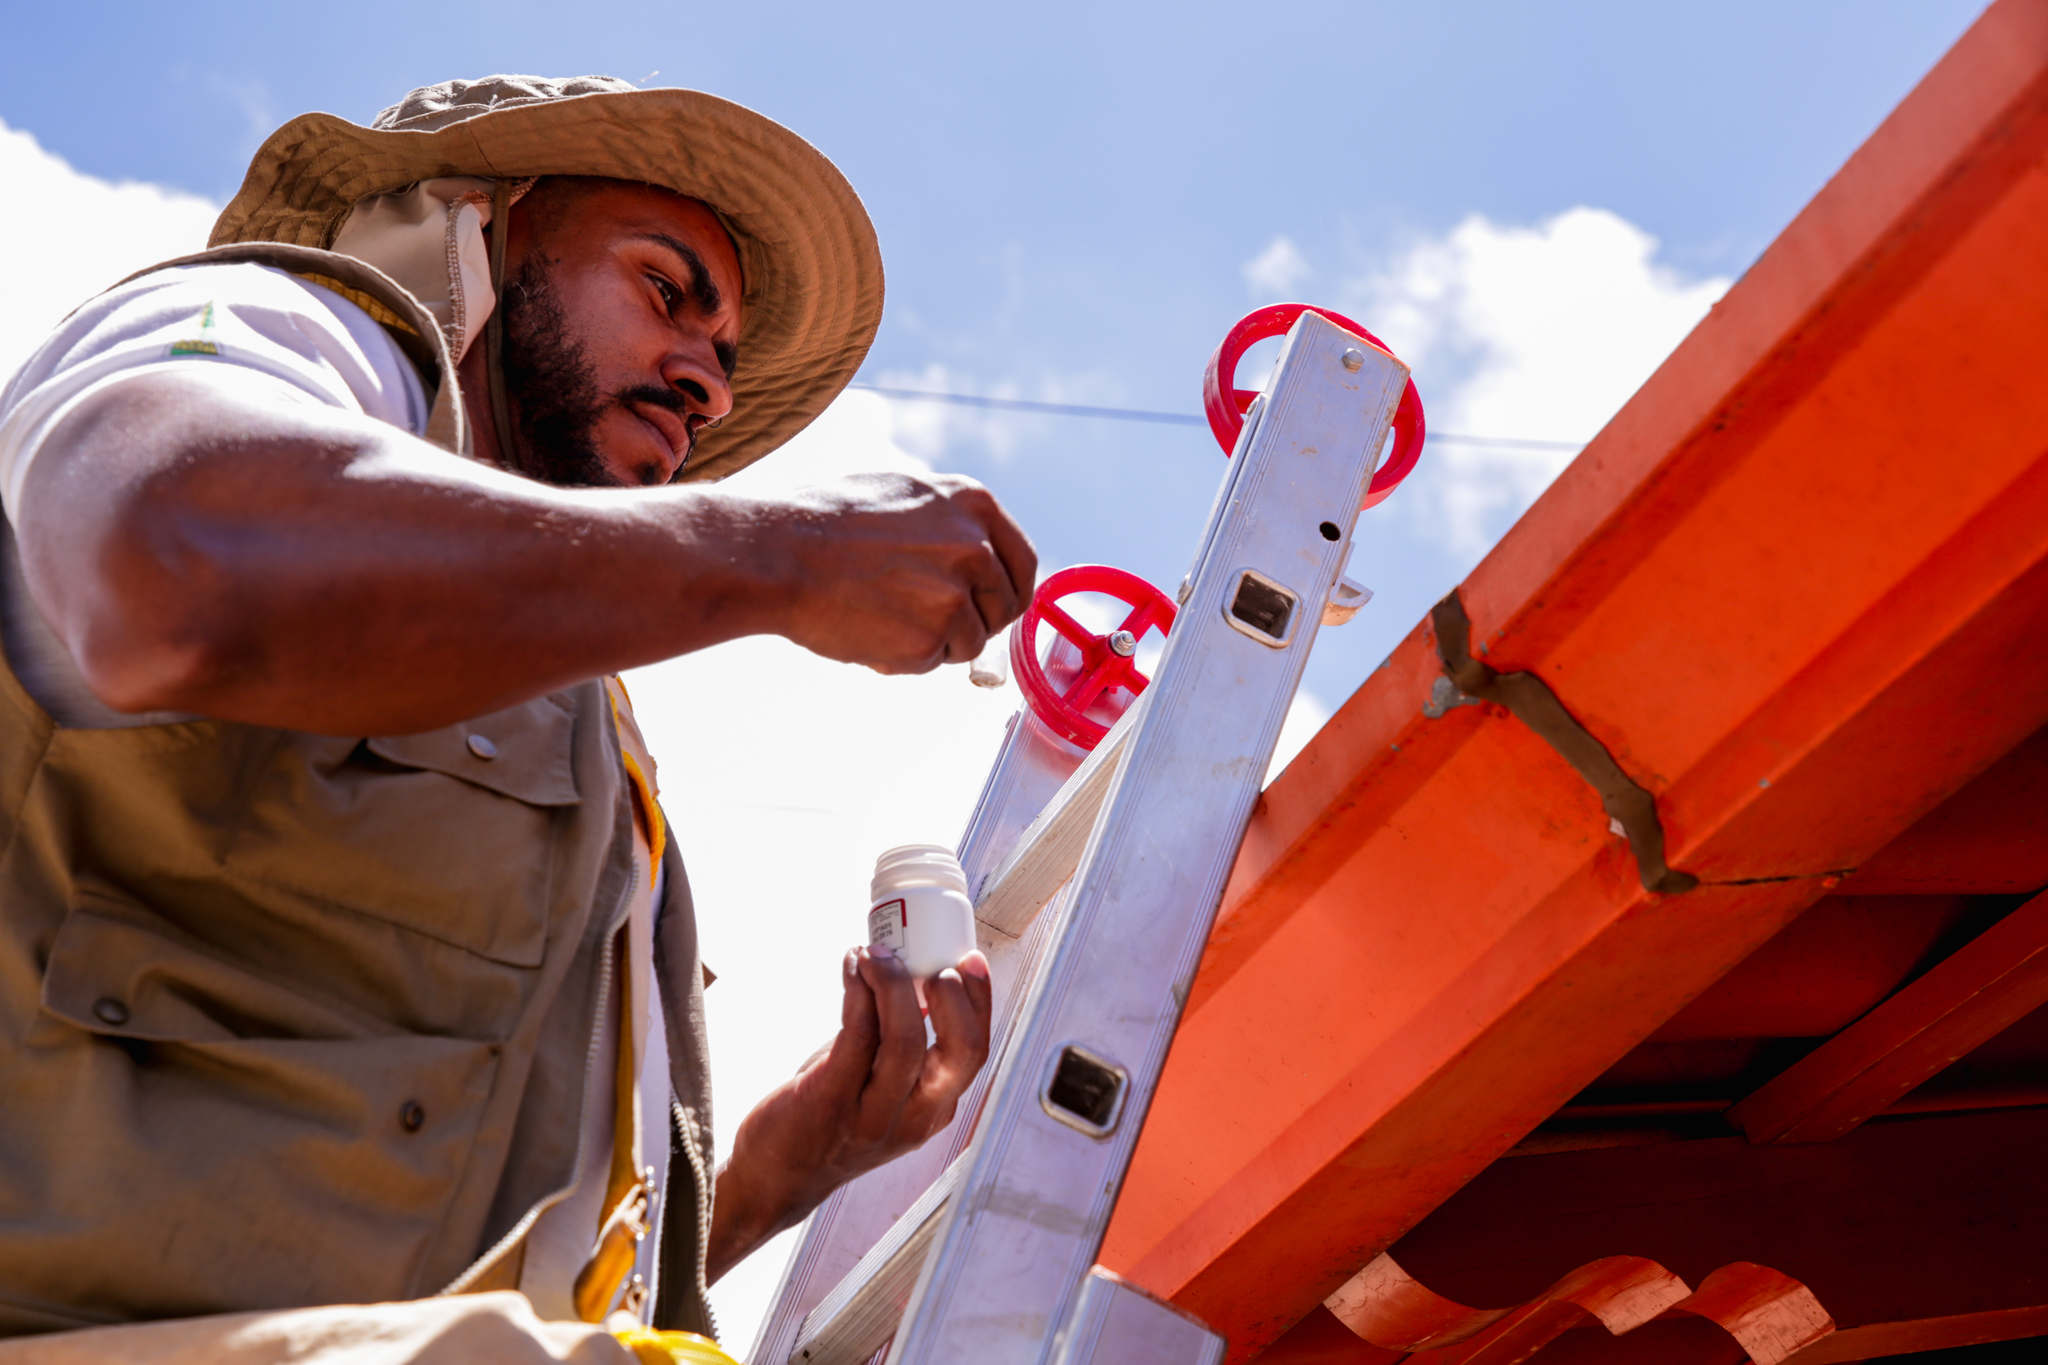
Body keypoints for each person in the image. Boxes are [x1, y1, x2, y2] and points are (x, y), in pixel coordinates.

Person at [0, 74, 1033, 1363]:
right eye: (669, 290)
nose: (708, 387)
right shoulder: (284, 324)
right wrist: (775, 556)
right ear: (479, 230)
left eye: (722, 359)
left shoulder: (569, 707)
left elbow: (489, 1268)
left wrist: (792, 1158)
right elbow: (174, 560)